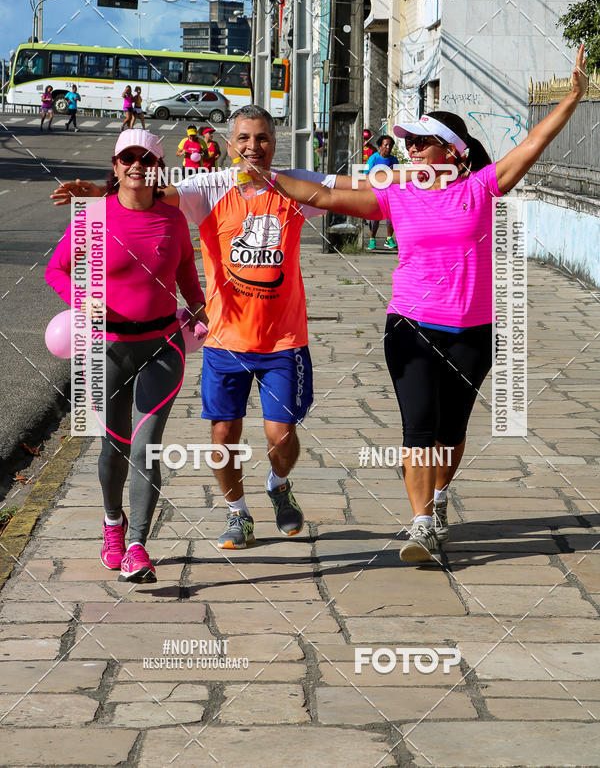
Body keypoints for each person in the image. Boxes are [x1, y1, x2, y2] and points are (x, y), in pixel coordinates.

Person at [244, 46, 588, 563]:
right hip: (411, 326)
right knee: (420, 425)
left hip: (473, 332)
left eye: (423, 143)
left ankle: (439, 495)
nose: (413, 150)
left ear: (453, 152)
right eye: (410, 143)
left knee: (452, 433)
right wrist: (266, 176)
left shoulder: (482, 187)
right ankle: (422, 524)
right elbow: (327, 196)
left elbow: (533, 144)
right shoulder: (397, 194)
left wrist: (573, 98)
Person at [51, 105, 361, 551]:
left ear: (274, 143)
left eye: (262, 137)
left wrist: (423, 180)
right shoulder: (209, 187)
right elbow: (150, 193)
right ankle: (237, 514)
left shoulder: (294, 184)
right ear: (230, 144)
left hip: (284, 340)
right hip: (225, 340)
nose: (253, 146)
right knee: (222, 435)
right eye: (244, 138)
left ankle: (278, 484)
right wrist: (104, 192)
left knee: (282, 436)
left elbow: (352, 188)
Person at [45, 129, 207, 582]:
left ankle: (137, 545)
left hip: (163, 347)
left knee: (147, 446)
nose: (137, 164)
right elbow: (56, 270)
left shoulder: (173, 220)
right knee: (113, 447)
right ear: (115, 167)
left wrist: (199, 308)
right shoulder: (94, 215)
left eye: (146, 158)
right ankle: (112, 525)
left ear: (158, 168)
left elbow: (186, 272)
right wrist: (82, 299)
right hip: (106, 349)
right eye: (127, 157)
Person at [364, 135, 398, 251]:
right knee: (375, 217)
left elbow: (398, 176)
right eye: (386, 145)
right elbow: (366, 175)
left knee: (391, 217)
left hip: (390, 192)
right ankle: (372, 240)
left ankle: (389, 239)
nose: (388, 147)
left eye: (390, 145)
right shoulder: (373, 158)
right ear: (380, 146)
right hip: (376, 192)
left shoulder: (394, 160)